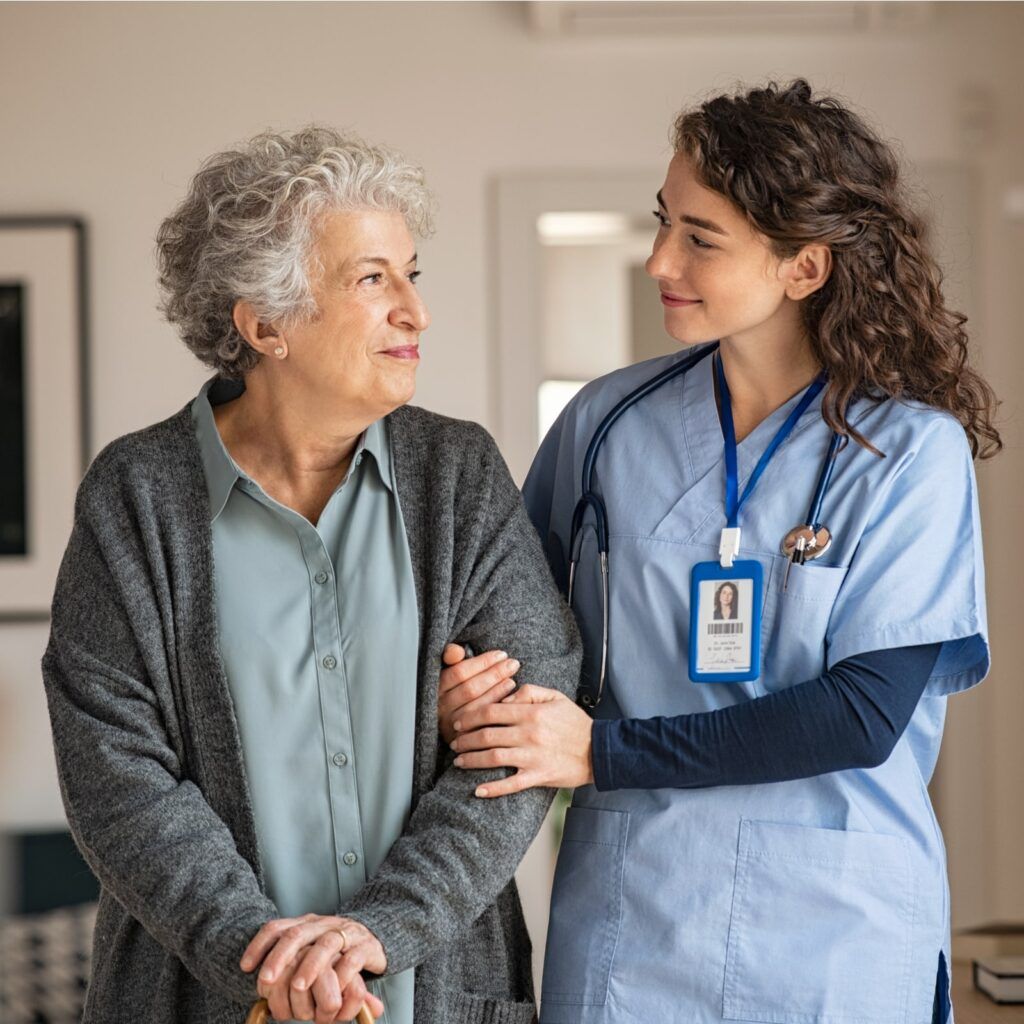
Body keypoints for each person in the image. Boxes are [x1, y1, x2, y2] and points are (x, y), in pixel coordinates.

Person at [439, 80, 998, 1023]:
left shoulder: (908, 453)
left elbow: (862, 715)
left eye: (702, 238)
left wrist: (601, 753)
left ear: (804, 267)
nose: (659, 258)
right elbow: (513, 626)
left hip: (835, 930)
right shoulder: (604, 424)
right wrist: (477, 686)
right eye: (664, 223)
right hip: (636, 919)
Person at [41, 127, 580, 1024]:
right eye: (373, 279)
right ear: (264, 324)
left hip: (435, 995)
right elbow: (116, 773)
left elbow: (523, 736)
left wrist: (380, 932)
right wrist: (267, 961)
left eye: (413, 273)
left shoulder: (459, 475)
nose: (415, 311)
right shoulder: (135, 497)